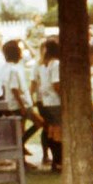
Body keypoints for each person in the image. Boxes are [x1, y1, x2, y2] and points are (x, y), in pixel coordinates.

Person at [32, 37, 62, 171]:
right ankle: (58, 161)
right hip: (55, 101)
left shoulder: (44, 64)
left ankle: (55, 159)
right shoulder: (56, 64)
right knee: (57, 131)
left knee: (50, 131)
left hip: (46, 101)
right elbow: (56, 84)